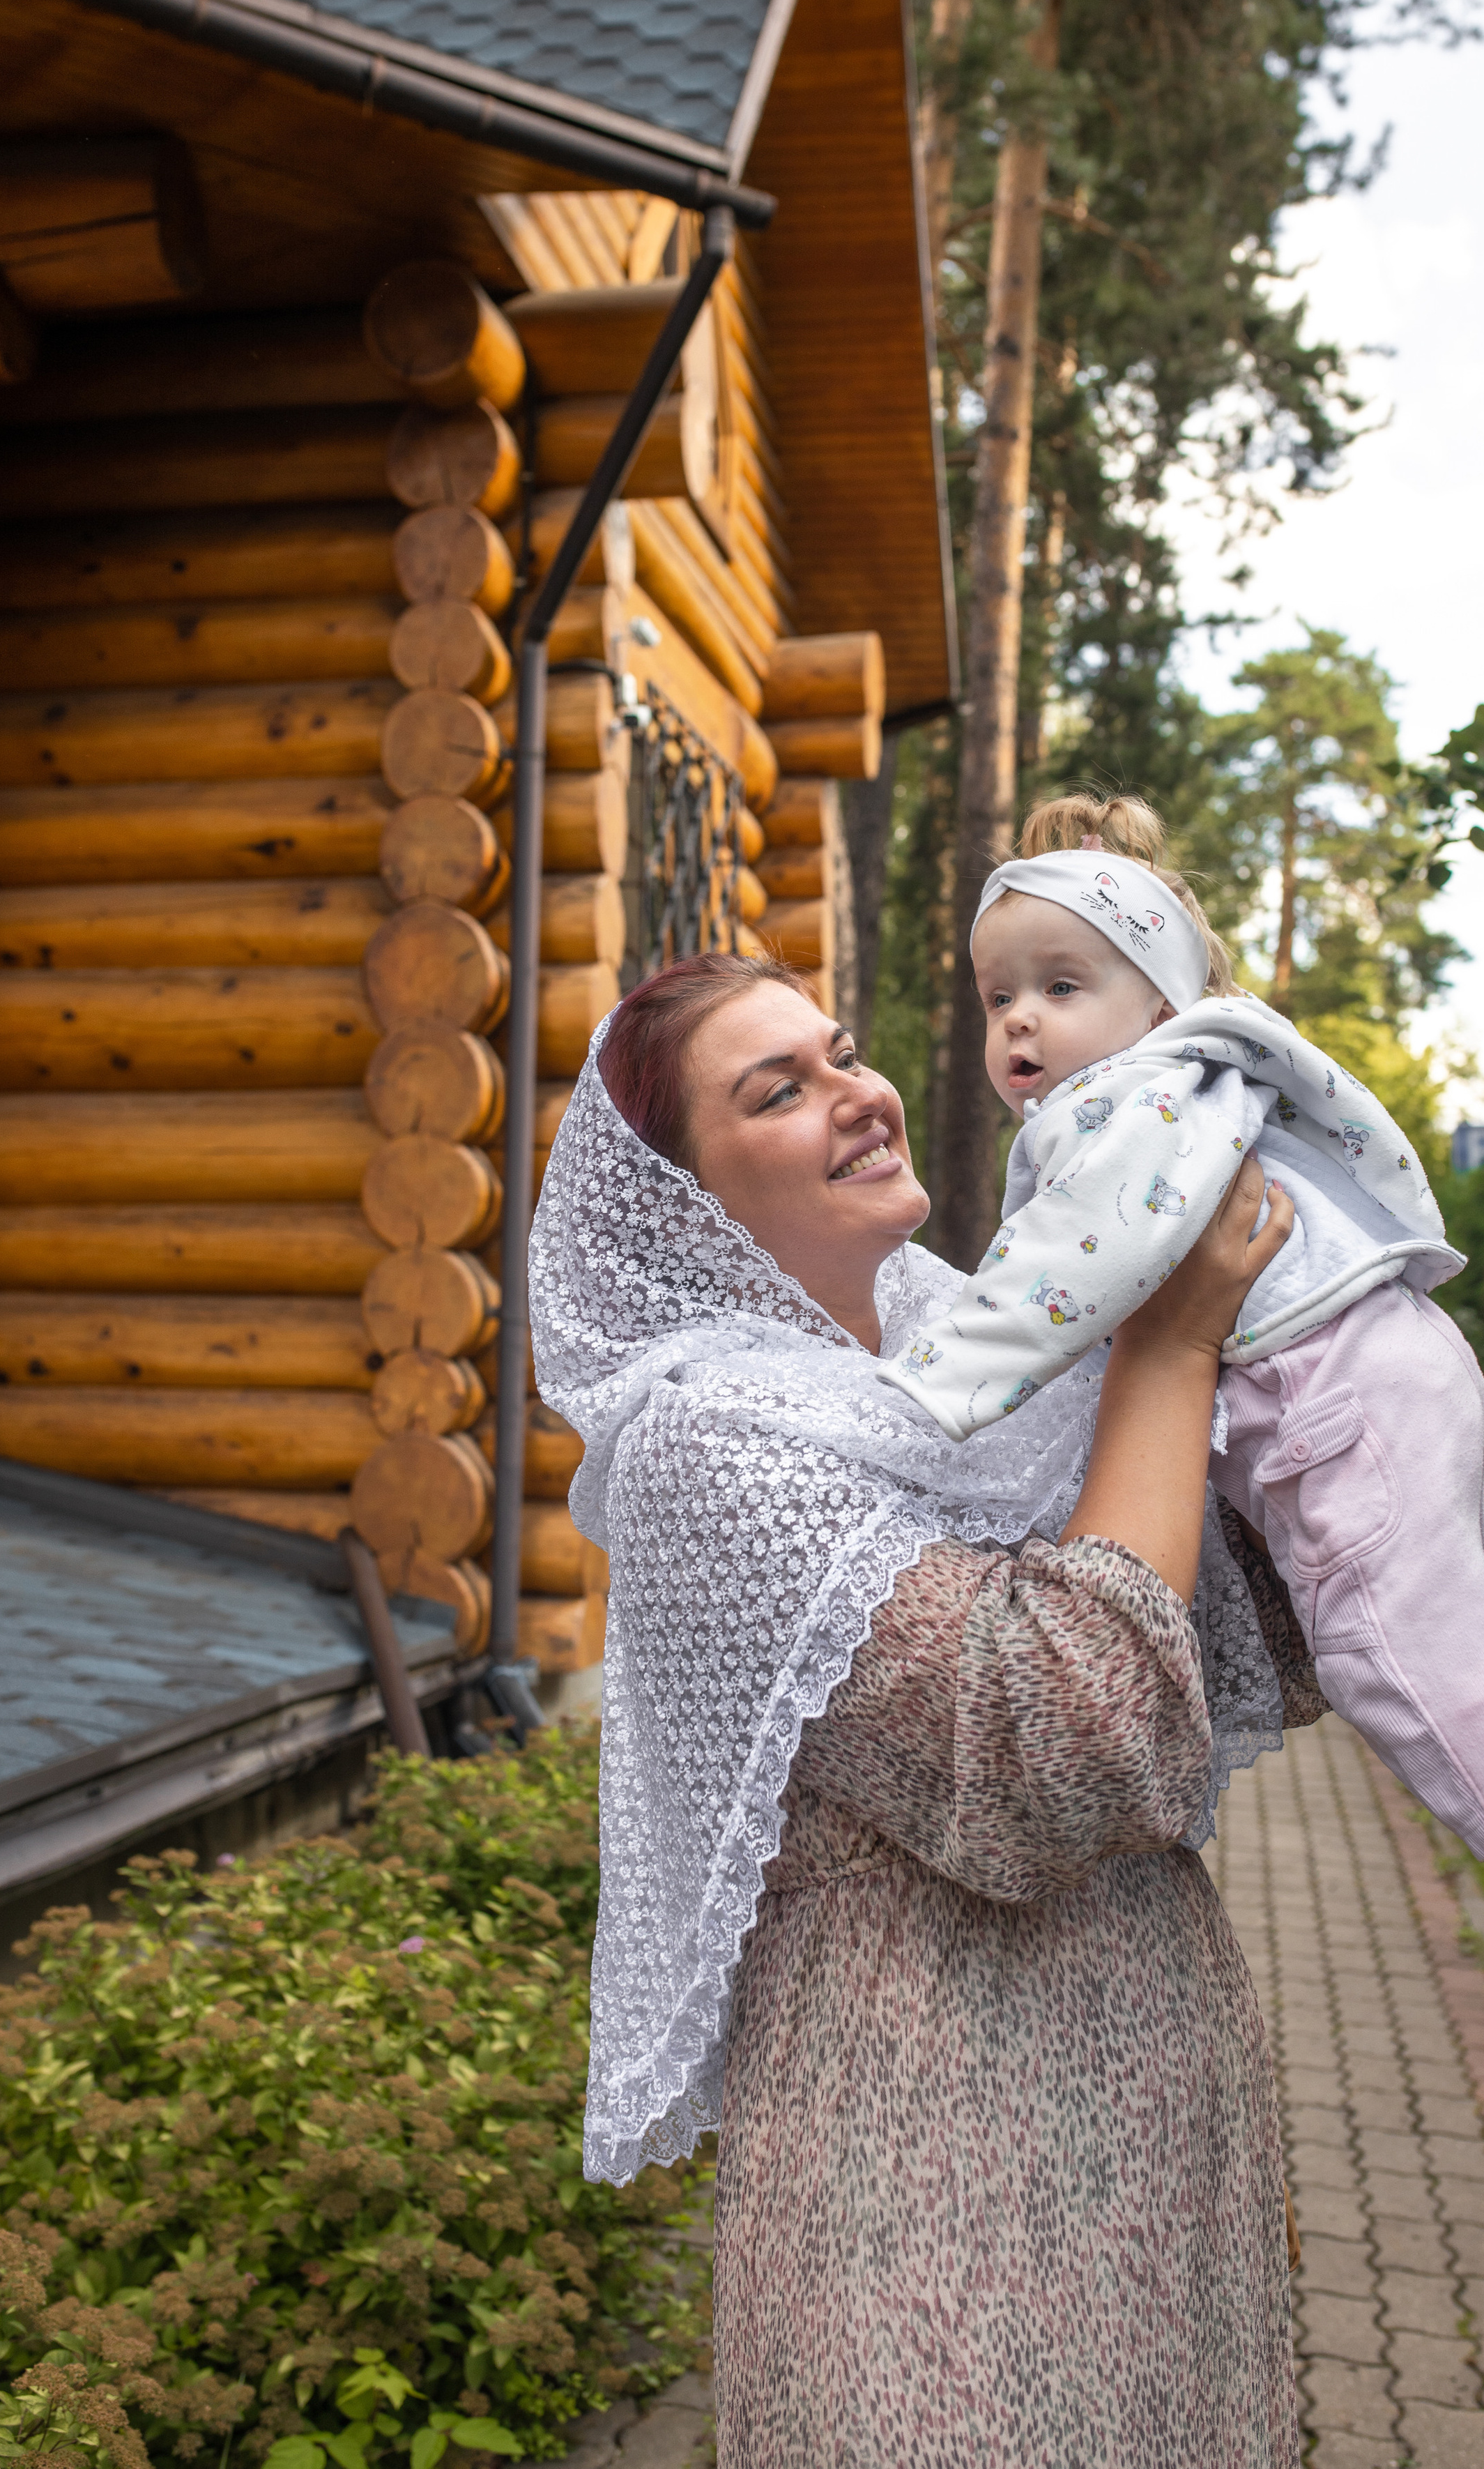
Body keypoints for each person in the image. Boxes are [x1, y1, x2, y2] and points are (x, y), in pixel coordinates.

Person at [528, 950, 1328, 2469]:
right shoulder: (701, 1446)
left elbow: (1236, 1637)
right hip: (930, 2159)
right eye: (780, 1089)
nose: (858, 1092)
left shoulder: (986, 1347)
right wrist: (1168, 1344)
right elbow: (1063, 1737)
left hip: (1154, 2100)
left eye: (841, 1051)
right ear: (690, 1205)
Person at [885, 791, 1484, 2014]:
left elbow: (1068, 1268)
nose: (1020, 1020)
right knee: (1426, 1566)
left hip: (1333, 1379)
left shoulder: (1144, 1105)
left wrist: (936, 1388)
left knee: (1370, 1628)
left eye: (1063, 988)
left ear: (1159, 1005)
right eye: (1000, 996)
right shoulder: (1162, 1093)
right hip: (1370, 1363)